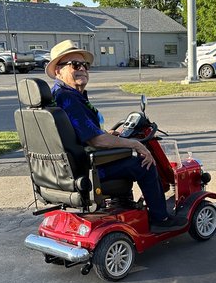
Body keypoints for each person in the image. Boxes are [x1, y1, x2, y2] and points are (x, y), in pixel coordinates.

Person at [45, 39, 186, 232]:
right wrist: (135, 145)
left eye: (85, 65)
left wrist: (106, 134)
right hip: (89, 169)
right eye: (75, 65)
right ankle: (160, 218)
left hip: (73, 166)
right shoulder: (67, 97)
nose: (82, 69)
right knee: (144, 163)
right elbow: (96, 140)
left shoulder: (59, 95)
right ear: (57, 71)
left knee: (125, 154)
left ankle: (123, 204)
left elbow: (83, 132)